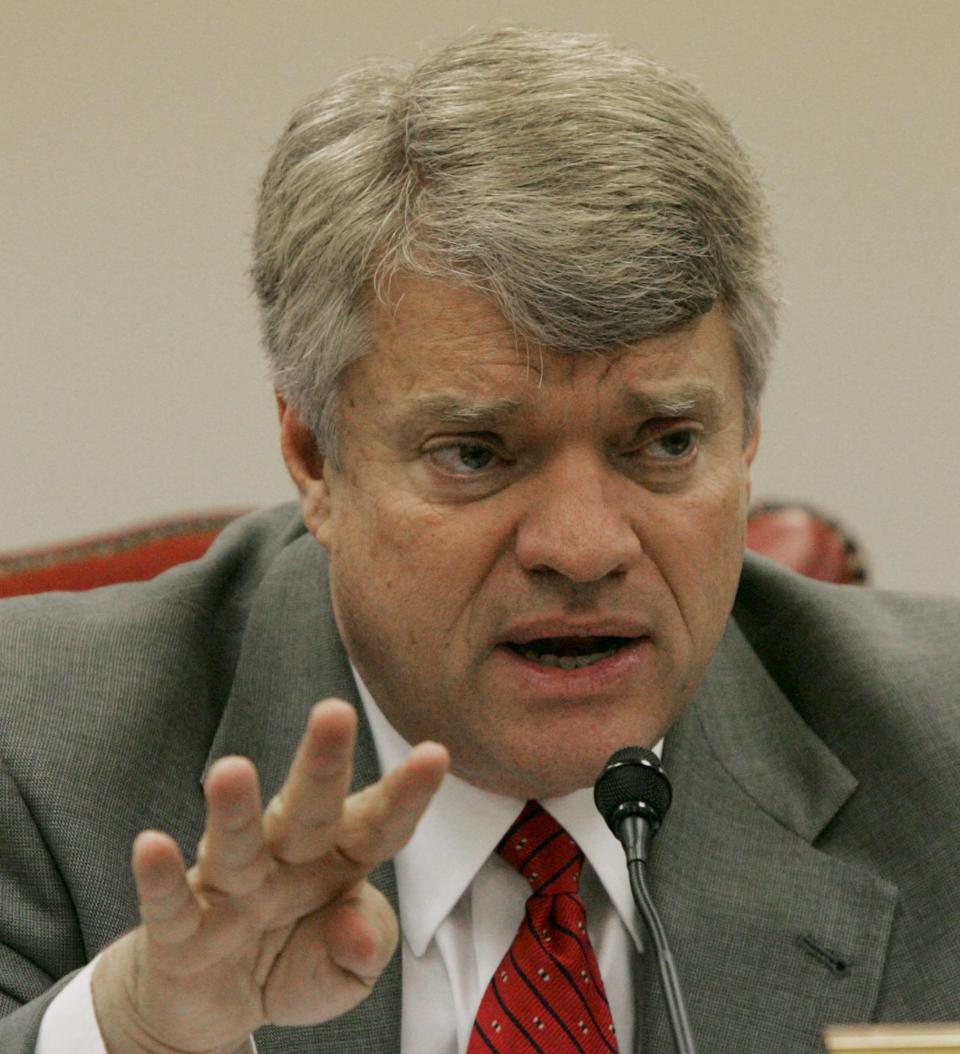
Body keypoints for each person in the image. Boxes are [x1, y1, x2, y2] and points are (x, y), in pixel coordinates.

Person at [1, 25, 958, 1054]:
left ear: (748, 436)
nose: (584, 548)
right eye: (475, 454)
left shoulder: (934, 752)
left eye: (666, 443)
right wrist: (137, 1030)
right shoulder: (38, 757)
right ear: (316, 458)